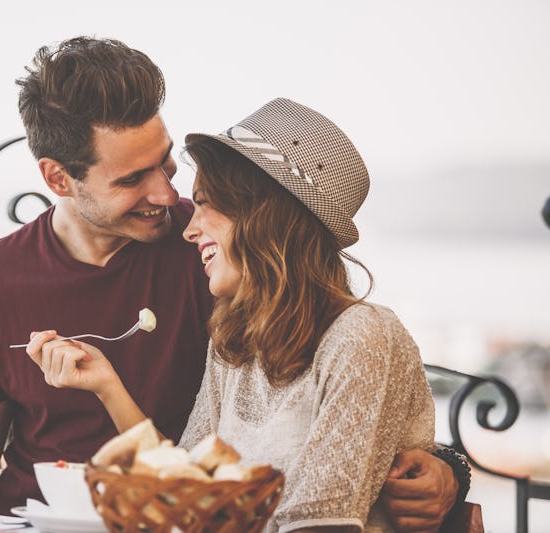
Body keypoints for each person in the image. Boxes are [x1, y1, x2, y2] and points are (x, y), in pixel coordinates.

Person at [0, 37, 461, 530]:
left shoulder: (219, 260)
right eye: (132, 178)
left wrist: (445, 468)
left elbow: (341, 375)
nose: (168, 196)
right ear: (59, 178)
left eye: (167, 165)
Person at [26, 97, 444, 532]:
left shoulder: (361, 336)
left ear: (264, 217)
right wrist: (106, 384)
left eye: (206, 204)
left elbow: (320, 525)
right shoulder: (237, 342)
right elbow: (187, 485)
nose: (189, 228)